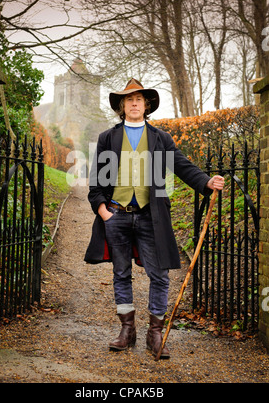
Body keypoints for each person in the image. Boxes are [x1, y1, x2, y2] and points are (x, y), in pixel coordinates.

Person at [84, 78, 224, 358]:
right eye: (129, 100)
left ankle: (155, 333)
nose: (134, 103)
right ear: (122, 107)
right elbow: (96, 182)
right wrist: (103, 211)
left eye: (139, 99)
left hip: (152, 217)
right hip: (117, 215)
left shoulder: (161, 138)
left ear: (146, 106)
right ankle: (127, 330)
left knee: (158, 274)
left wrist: (206, 182)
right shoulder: (107, 138)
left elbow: (182, 165)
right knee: (121, 273)